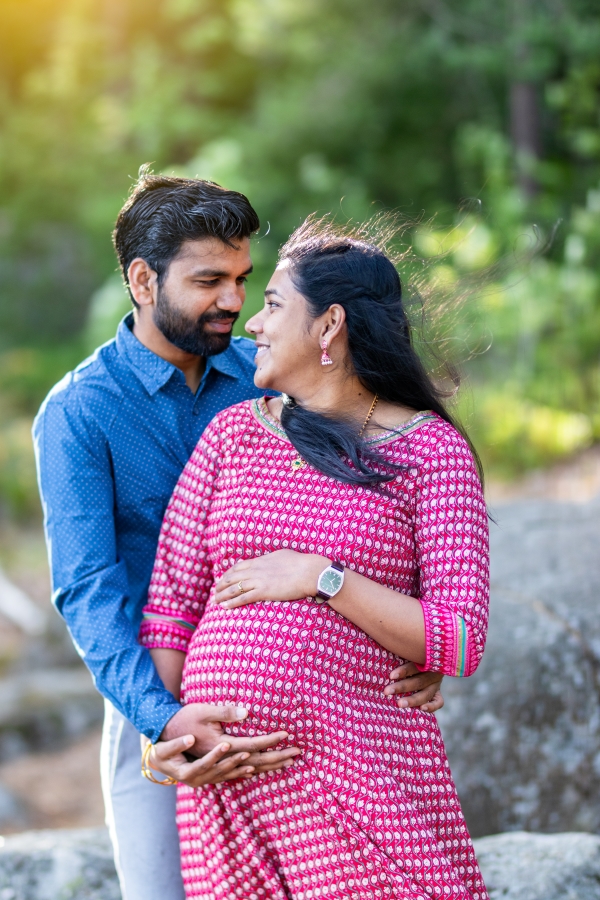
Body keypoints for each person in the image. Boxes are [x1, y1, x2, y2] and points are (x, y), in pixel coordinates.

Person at [33, 175, 444, 900]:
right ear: (140, 279)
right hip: (152, 702)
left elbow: (370, 502)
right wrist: (165, 724)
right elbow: (88, 591)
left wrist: (417, 638)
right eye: (208, 281)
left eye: (242, 279)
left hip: (320, 710)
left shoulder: (268, 380)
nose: (233, 301)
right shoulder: (78, 414)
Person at [140, 217, 490, 899]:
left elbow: (458, 640)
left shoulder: (429, 453)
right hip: (228, 800)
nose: (253, 326)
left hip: (356, 786)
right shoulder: (233, 436)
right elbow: (171, 612)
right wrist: (168, 742)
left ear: (328, 325)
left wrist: (322, 577)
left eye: (272, 305)